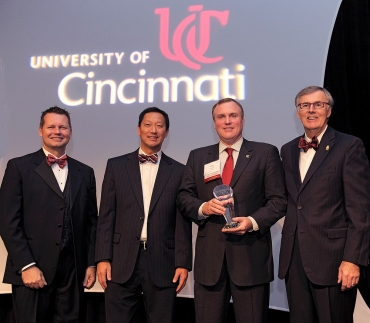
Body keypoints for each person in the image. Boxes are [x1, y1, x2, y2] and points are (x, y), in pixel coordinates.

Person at [177, 98, 287, 323]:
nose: (227, 121)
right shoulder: (198, 156)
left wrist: (252, 222)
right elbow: (183, 197)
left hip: (251, 259)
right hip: (210, 262)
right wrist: (204, 207)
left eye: (233, 116)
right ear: (214, 123)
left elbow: (278, 201)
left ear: (243, 120)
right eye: (221, 117)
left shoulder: (265, 153)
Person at [278, 86, 370, 323]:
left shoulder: (349, 146)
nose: (311, 110)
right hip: (295, 261)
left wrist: (353, 260)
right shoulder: (287, 150)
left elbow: (359, 211)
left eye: (318, 104)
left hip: (334, 261)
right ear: (297, 113)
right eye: (304, 106)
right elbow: (287, 201)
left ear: (328, 111)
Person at [0, 106, 98, 323]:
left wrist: (91, 263)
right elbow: (8, 222)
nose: (57, 131)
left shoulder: (85, 172)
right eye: (51, 126)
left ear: (70, 132)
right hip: (32, 271)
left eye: (63, 127)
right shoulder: (19, 167)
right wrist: (27, 265)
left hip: (73, 274)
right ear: (40, 130)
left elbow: (92, 223)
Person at [95, 107, 192, 323]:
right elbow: (106, 216)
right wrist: (102, 258)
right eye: (148, 125)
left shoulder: (179, 171)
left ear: (167, 132)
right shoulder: (116, 166)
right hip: (120, 261)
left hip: (163, 261)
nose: (153, 130)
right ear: (138, 129)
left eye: (159, 126)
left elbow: (181, 221)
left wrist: (183, 262)